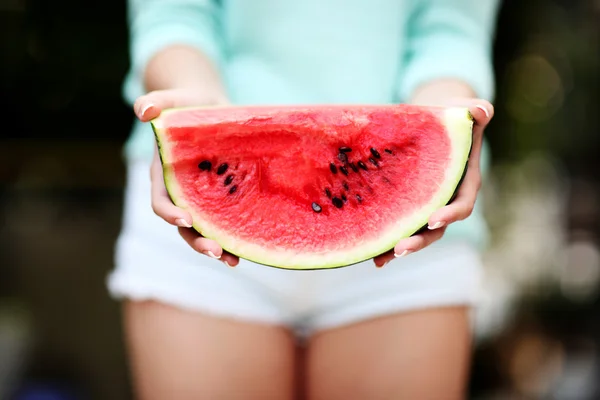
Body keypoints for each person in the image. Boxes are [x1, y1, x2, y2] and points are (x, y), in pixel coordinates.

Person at [108, 1, 499, 398]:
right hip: (196, 232)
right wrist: (190, 105)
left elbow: (451, 28)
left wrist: (444, 117)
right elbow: (176, 15)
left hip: (408, 250)